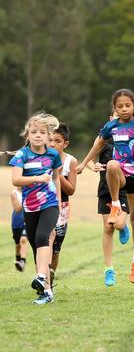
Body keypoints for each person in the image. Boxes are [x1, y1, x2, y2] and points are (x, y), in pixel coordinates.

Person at [78, 89, 134, 284]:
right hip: (119, 176)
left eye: (127, 105)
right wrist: (83, 163)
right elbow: (97, 145)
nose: (124, 109)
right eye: (119, 106)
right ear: (114, 108)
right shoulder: (111, 126)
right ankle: (115, 204)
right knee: (112, 164)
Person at [10, 113, 62, 305]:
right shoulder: (22, 155)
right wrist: (37, 178)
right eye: (34, 132)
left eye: (42, 132)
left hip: (49, 204)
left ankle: (40, 276)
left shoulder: (53, 155)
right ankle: (46, 291)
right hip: (30, 208)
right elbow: (16, 180)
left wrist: (58, 201)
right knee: (36, 248)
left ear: (48, 136)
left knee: (42, 237)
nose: (38, 135)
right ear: (27, 135)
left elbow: (56, 177)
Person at [47, 123, 77, 279]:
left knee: (56, 247)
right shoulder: (41, 157)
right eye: (50, 140)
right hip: (42, 204)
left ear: (65, 144)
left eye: (57, 141)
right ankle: (42, 275)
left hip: (62, 208)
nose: (52, 144)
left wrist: (58, 173)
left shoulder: (70, 161)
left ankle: (50, 275)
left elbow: (71, 190)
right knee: (44, 243)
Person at [10, 187, 28, 272]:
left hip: (27, 221)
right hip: (16, 223)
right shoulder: (14, 193)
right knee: (17, 244)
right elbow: (17, 209)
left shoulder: (29, 191)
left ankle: (22, 261)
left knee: (23, 240)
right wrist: (27, 198)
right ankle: (18, 259)